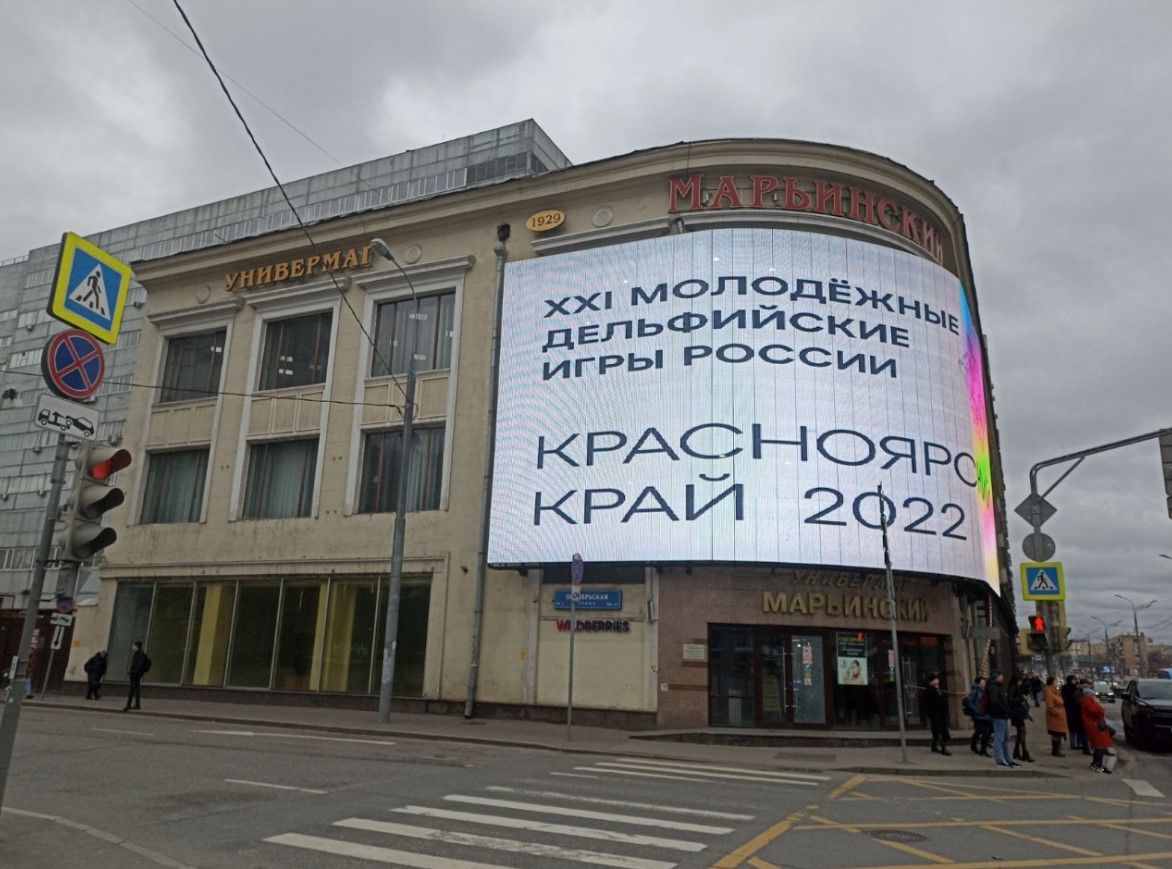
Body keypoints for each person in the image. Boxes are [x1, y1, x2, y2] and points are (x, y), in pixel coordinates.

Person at [1079, 684, 1115, 773]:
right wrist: (1096, 703)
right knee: (1100, 745)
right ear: (1090, 695)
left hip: (1093, 725)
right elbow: (1099, 711)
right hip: (1096, 726)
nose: (1094, 696)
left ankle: (1095, 763)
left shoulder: (1086, 702)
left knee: (1097, 745)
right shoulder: (1088, 703)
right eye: (1093, 695)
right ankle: (1098, 765)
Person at [986, 670, 1015, 768]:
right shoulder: (993, 687)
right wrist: (1005, 709)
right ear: (996, 677)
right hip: (998, 716)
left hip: (1003, 716)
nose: (1002, 678)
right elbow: (995, 702)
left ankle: (1007, 759)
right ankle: (999, 759)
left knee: (1006, 738)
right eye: (1000, 676)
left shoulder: (997, 687)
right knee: (999, 738)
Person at [1008, 673, 1034, 763]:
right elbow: (1010, 699)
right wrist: (1021, 699)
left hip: (1018, 712)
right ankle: (1025, 753)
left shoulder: (1017, 687)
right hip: (1016, 713)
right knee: (1023, 732)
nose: (1021, 682)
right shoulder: (1013, 688)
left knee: (1020, 733)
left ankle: (1017, 752)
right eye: (1020, 680)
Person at [1061, 674, 1090, 755]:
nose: (1075, 681)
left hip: (1075, 709)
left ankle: (1078, 743)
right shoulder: (1069, 688)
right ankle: (1074, 743)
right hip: (1070, 709)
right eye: (1074, 679)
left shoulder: (1076, 688)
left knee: (1078, 727)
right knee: (1073, 727)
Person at [964, 676, 992, 756]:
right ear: (979, 682)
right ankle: (980, 748)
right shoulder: (975, 691)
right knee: (981, 732)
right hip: (979, 716)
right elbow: (969, 702)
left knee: (984, 732)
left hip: (986, 715)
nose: (984, 682)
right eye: (983, 681)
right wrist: (976, 710)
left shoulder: (984, 690)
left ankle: (981, 749)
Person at [924, 673, 951, 755]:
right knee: (940, 731)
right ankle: (943, 748)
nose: (937, 681)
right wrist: (932, 714)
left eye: (937, 679)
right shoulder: (930, 690)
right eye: (936, 679)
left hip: (941, 714)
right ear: (932, 681)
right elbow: (930, 704)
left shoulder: (938, 689)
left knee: (936, 731)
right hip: (935, 714)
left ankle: (934, 747)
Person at [1043, 675, 1068, 757]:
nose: (1057, 683)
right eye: (1056, 681)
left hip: (1058, 715)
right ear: (1052, 683)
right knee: (1056, 733)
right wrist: (1057, 712)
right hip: (1055, 716)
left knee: (1058, 733)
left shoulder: (1054, 691)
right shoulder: (1049, 692)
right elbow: (1050, 705)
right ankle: (1055, 750)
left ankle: (1056, 750)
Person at [122, 641, 150, 712]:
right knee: (136, 690)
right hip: (136, 674)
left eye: (133, 645)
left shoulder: (140, 654)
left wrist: (134, 672)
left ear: (136, 646)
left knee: (132, 690)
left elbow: (139, 665)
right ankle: (137, 705)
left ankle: (128, 705)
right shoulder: (138, 653)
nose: (132, 647)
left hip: (136, 675)